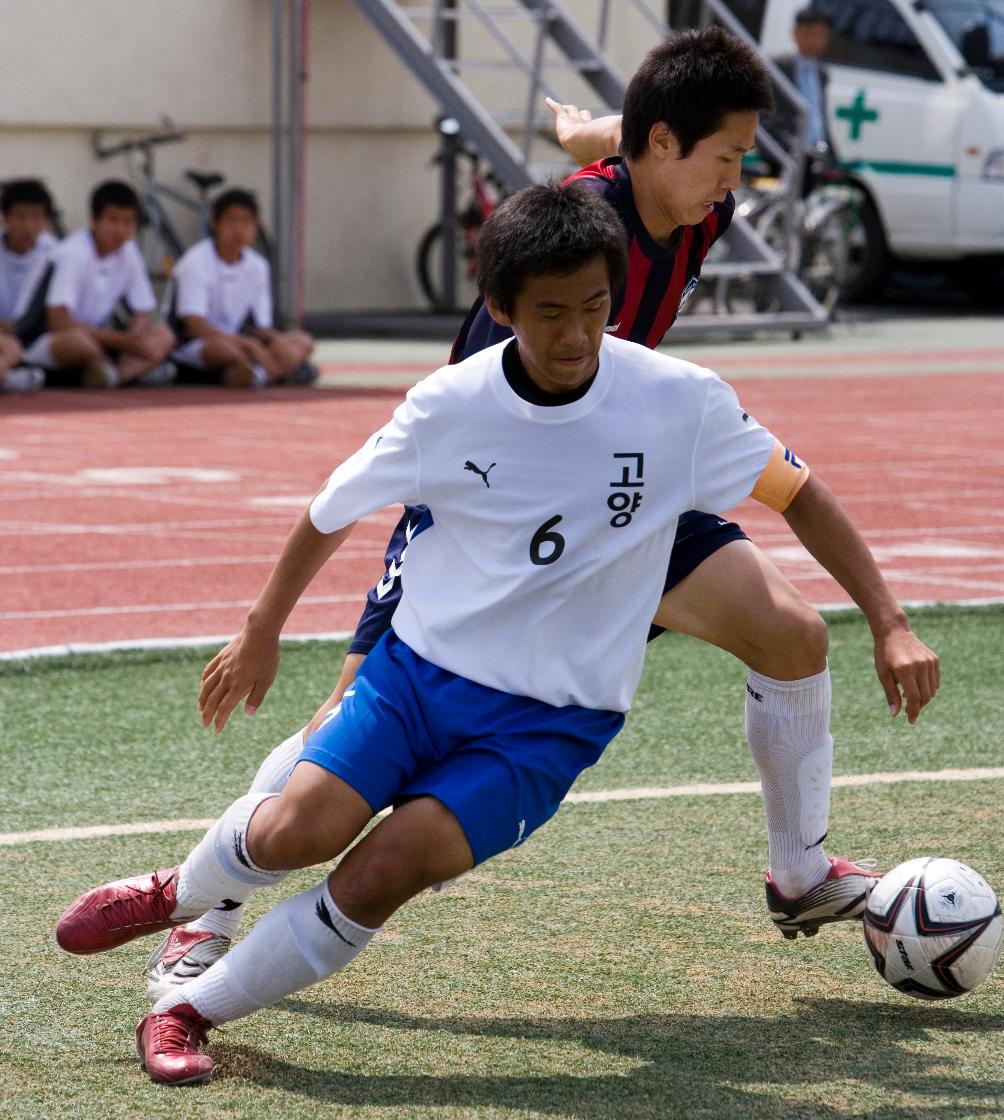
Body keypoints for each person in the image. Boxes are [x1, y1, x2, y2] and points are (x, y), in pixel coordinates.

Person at [55, 182, 939, 1086]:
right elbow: (331, 511)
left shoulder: (681, 400)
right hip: (417, 679)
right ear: (501, 308)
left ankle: (184, 1014)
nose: (576, 335)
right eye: (550, 313)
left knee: (385, 871)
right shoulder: (449, 405)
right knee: (294, 832)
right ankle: (182, 895)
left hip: (550, 724)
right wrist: (262, 630)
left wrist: (889, 620)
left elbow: (800, 494)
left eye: (595, 308)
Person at [19, 181, 176, 388]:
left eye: (128, 222)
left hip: (103, 339)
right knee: (78, 342)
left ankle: (113, 376)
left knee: (164, 335)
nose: (120, 230)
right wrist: (122, 341)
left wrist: (136, 336)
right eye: (113, 220)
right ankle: (124, 372)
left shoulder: (129, 252)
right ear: (94, 220)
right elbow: (58, 322)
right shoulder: (74, 253)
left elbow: (142, 310)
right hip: (50, 341)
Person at [166, 188, 316, 388]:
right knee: (223, 350)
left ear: (255, 226)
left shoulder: (258, 266)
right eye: (231, 221)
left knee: (303, 341)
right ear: (215, 224)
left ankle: (256, 375)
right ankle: (273, 373)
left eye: (246, 222)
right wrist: (245, 344)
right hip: (197, 345)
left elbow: (261, 327)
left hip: (243, 343)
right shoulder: (195, 262)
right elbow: (195, 328)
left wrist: (276, 340)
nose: (239, 229)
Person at [765, 6, 839, 193]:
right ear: (795, 33)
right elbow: (765, 116)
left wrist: (833, 156)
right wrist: (776, 151)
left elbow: (820, 117)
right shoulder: (777, 67)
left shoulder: (822, 73)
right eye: (809, 33)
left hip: (815, 156)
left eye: (821, 34)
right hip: (786, 155)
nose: (815, 40)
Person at [0, 179, 58, 394]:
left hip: (30, 337)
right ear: (5, 218)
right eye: (20, 216)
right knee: (10, 350)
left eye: (36, 217)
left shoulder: (55, 253)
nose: (28, 226)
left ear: (46, 221)